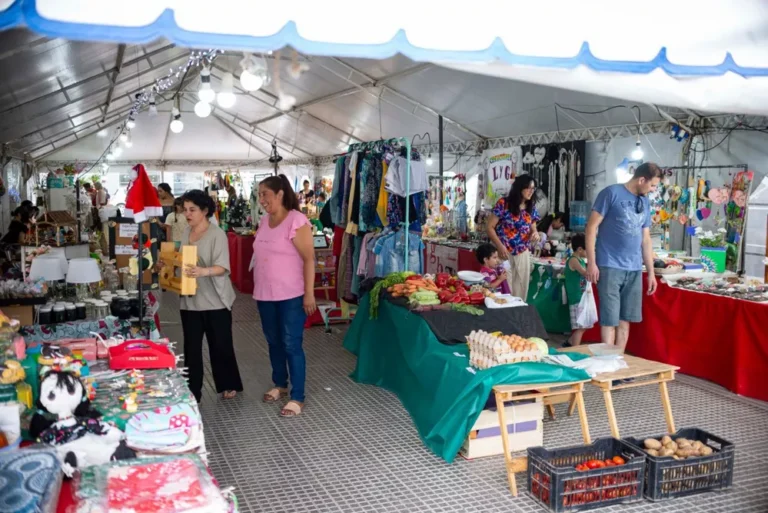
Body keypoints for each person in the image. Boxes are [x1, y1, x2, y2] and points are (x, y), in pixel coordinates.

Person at [253, 174, 317, 417]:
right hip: (265, 294)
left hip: (291, 295)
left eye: (265, 194)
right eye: (259, 195)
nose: (262, 200)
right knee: (273, 342)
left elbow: (309, 259)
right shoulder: (263, 221)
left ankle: (297, 395)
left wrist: (309, 294)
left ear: (280, 194)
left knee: (291, 343)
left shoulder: (296, 220)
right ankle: (280, 384)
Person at [585, 162, 661, 350]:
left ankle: (618, 362)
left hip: (634, 268)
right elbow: (591, 227)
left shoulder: (644, 201)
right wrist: (592, 263)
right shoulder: (611, 193)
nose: (653, 190)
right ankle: (607, 366)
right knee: (609, 320)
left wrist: (650, 272)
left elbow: (646, 239)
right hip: (610, 265)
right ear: (641, 179)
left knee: (625, 320)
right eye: (652, 185)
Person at [178, 189, 243, 402]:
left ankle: (228, 384)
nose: (187, 214)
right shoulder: (185, 233)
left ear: (205, 211)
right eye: (185, 210)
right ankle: (192, 390)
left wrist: (202, 272)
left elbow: (222, 267)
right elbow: (183, 260)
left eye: (192, 210)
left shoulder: (217, 234)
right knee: (191, 348)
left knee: (221, 345)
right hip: (190, 300)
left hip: (216, 300)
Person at [487, 174, 540, 299]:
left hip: (522, 252)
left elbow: (533, 227)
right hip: (503, 253)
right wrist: (499, 246)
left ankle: (518, 314)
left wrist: (535, 233)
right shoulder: (503, 203)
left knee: (521, 287)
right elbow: (489, 227)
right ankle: (505, 315)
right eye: (528, 188)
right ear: (520, 188)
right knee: (505, 287)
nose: (531, 191)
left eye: (533, 189)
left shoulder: (531, 207)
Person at [564, 234, 593, 347]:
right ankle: (575, 348)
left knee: (584, 325)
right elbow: (585, 273)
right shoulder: (574, 261)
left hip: (581, 297)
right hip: (576, 297)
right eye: (587, 250)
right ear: (580, 249)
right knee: (581, 326)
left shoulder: (580, 259)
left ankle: (570, 342)